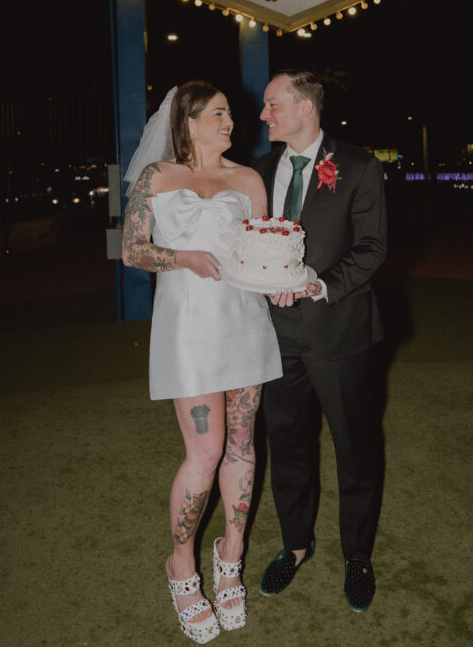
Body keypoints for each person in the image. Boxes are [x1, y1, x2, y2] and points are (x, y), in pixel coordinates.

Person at [122, 81, 282, 643]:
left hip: (245, 323)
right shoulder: (157, 177)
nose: (230, 122)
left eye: (230, 114)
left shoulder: (249, 180)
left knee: (242, 444)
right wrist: (183, 257)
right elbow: (131, 249)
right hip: (188, 328)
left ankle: (230, 555)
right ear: (188, 121)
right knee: (206, 450)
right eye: (219, 113)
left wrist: (288, 281)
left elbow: (265, 249)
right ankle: (181, 566)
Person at [253, 69, 387, 612]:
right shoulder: (261, 171)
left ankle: (357, 556)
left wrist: (320, 284)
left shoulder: (359, 166)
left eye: (272, 104)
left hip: (340, 333)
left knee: (355, 448)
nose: (263, 114)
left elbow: (373, 247)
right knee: (287, 445)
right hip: (276, 337)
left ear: (305, 106)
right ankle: (295, 545)